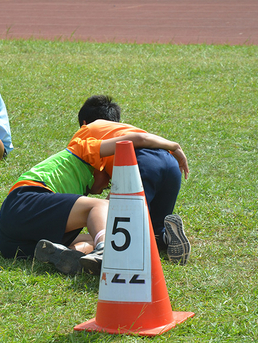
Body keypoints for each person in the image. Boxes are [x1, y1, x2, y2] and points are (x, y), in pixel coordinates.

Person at [0, 117, 186, 275]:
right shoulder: (84, 150)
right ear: (100, 167)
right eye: (108, 180)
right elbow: (138, 139)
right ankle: (106, 249)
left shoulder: (75, 192)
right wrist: (174, 146)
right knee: (102, 207)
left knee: (88, 236)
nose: (107, 186)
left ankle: (73, 256)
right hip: (24, 199)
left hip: (11, 242)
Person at [77, 95, 191, 266]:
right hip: (170, 165)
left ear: (84, 122)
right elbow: (145, 139)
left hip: (140, 163)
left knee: (118, 228)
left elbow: (96, 179)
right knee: (153, 229)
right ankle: (166, 236)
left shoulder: (86, 131)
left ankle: (104, 253)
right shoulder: (124, 128)